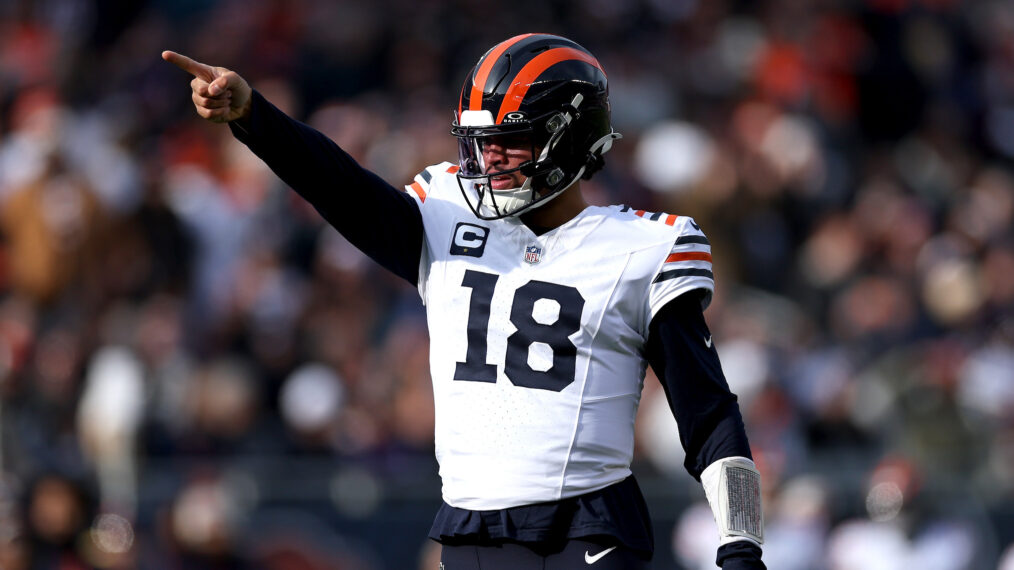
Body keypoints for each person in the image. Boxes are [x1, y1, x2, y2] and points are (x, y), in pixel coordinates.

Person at [163, 33, 766, 569]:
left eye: (511, 142)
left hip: (589, 525)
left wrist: (740, 544)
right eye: (481, 143)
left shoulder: (641, 246)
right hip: (473, 526)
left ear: (572, 137)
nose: (489, 162)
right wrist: (255, 117)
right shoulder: (444, 213)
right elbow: (342, 190)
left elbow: (707, 413)